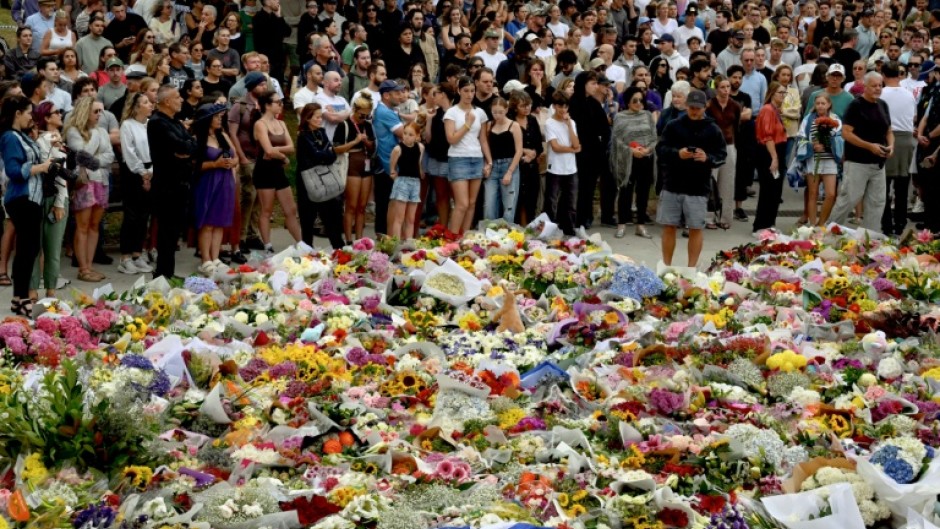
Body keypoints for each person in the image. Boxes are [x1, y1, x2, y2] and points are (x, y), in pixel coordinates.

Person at [656, 89, 727, 267]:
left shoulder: (713, 129)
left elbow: (721, 155)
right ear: (686, 106)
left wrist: (707, 158)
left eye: (698, 108)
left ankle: (691, 268)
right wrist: (678, 153)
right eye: (691, 107)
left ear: (705, 107)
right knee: (669, 225)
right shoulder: (673, 125)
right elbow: (661, 149)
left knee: (696, 227)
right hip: (673, 183)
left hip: (698, 186)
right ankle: (666, 265)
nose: (694, 111)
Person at [0, 96, 49, 314]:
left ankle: (19, 299)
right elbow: (14, 171)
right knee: (26, 250)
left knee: (29, 250)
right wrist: (41, 167)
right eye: (28, 112)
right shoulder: (10, 137)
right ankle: (21, 298)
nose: (31, 116)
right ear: (17, 113)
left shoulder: (21, 135)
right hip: (21, 198)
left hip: (32, 199)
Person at [829, 72, 894, 233]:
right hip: (857, 161)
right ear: (865, 87)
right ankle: (828, 233)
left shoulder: (883, 104)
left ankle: (868, 238)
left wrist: (891, 146)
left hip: (878, 164)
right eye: (874, 85)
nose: (878, 88)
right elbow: (846, 133)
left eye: (880, 85)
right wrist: (869, 146)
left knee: (877, 202)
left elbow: (889, 131)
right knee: (849, 199)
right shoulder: (856, 105)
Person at [148, 85, 198, 279]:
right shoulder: (157, 123)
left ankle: (168, 271)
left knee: (174, 232)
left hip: (181, 183)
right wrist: (184, 148)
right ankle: (162, 274)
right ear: (167, 101)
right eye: (177, 97)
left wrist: (186, 149)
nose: (181, 100)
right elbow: (180, 145)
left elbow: (192, 145)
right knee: (167, 232)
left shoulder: (175, 122)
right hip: (166, 186)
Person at [64, 96, 114, 283]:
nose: (100, 115)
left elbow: (110, 156)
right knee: (82, 225)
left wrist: (95, 159)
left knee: (95, 225)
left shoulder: (102, 130)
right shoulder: (73, 130)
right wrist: (93, 135)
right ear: (85, 111)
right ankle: (82, 268)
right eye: (95, 111)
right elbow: (81, 155)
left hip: (101, 180)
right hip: (85, 182)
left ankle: (90, 266)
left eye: (101, 111)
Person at [252, 90, 302, 251]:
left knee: (291, 208)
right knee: (266, 209)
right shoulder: (260, 124)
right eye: (277, 102)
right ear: (267, 105)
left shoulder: (281, 123)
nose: (281, 105)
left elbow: (291, 147)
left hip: (277, 168)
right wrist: (282, 156)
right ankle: (267, 244)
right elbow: (267, 150)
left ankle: (301, 243)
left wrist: (278, 152)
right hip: (264, 170)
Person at [192, 103, 238, 274]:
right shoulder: (198, 139)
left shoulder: (223, 135)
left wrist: (232, 162)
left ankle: (216, 256)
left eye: (220, 116)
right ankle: (205, 259)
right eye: (216, 117)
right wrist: (215, 164)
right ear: (207, 119)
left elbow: (236, 157)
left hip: (225, 180)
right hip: (208, 181)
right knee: (208, 222)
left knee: (219, 221)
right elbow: (194, 165)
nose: (220, 119)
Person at [30, 102, 69, 300]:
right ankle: (37, 290)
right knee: (43, 247)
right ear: (46, 118)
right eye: (56, 112)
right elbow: (58, 173)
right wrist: (60, 203)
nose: (60, 114)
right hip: (48, 197)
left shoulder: (56, 139)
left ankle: (48, 290)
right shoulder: (47, 139)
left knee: (50, 247)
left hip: (51, 197)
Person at [444, 76, 490, 235]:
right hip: (458, 158)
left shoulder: (480, 112)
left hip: (476, 158)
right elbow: (451, 139)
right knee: (461, 204)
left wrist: (488, 161)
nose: (469, 94)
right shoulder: (451, 112)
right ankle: (451, 239)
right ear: (458, 91)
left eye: (472, 91)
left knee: (471, 203)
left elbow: (483, 139)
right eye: (466, 91)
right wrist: (468, 123)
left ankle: (464, 238)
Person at [116, 92, 155, 275]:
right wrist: (142, 173)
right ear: (137, 107)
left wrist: (151, 172)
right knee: (131, 215)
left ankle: (137, 254)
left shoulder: (151, 124)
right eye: (146, 102)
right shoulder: (127, 125)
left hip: (150, 170)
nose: (150, 104)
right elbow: (129, 152)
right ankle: (125, 257)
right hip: (133, 172)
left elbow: (157, 149)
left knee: (144, 215)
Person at [611, 86, 657, 239]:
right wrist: (631, 151)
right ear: (627, 102)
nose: (638, 103)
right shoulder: (620, 117)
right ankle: (622, 224)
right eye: (634, 100)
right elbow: (616, 140)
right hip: (627, 160)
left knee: (643, 193)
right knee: (625, 191)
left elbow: (654, 137)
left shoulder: (648, 116)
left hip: (645, 158)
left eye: (641, 100)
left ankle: (641, 226)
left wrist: (647, 150)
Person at [296, 103, 344, 248]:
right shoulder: (303, 137)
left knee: (331, 216)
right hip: (308, 181)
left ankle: (338, 248)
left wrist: (324, 154)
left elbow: (332, 154)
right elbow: (312, 157)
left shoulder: (321, 132)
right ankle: (307, 250)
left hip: (326, 179)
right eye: (317, 117)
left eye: (320, 116)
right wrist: (325, 154)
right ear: (308, 118)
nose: (320, 120)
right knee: (307, 218)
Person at [879, 61, 916, 236]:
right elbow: (913, 116)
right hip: (906, 139)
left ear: (883, 75)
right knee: (902, 184)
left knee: (883, 185)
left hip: (888, 137)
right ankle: (900, 223)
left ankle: (886, 224)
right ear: (899, 75)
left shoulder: (881, 94)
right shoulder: (909, 94)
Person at [335, 92, 375, 244]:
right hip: (351, 163)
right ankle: (348, 239)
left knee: (362, 206)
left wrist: (366, 142)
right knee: (351, 205)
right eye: (361, 115)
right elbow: (337, 148)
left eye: (367, 116)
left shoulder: (368, 125)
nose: (364, 118)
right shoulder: (344, 124)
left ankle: (360, 238)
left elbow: (372, 147)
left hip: (366, 164)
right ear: (354, 110)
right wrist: (355, 141)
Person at [798, 92, 842, 226]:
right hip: (813, 160)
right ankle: (812, 225)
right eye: (818, 103)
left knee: (830, 194)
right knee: (813, 193)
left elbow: (841, 139)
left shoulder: (836, 119)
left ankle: (821, 223)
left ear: (829, 104)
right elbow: (801, 139)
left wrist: (830, 143)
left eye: (823, 103)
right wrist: (812, 146)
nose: (820, 106)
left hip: (829, 160)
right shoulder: (808, 119)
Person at [752, 82, 789, 234]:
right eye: (781, 92)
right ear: (773, 93)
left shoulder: (776, 110)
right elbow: (767, 137)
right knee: (768, 190)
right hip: (769, 152)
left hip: (777, 150)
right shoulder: (767, 110)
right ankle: (761, 225)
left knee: (775, 191)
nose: (783, 95)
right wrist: (774, 158)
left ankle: (769, 223)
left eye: (784, 93)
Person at [705, 75, 741, 230]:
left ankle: (725, 217)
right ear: (716, 89)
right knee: (711, 181)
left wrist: (736, 146)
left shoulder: (735, 106)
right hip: (712, 146)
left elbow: (737, 127)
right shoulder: (709, 105)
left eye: (728, 87)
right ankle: (709, 217)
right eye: (722, 87)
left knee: (728, 183)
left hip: (729, 145)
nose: (726, 90)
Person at [544, 91, 581, 236]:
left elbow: (577, 143)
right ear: (554, 106)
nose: (563, 110)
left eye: (566, 107)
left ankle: (569, 228)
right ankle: (550, 229)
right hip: (555, 168)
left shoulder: (571, 123)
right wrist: (572, 149)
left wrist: (569, 126)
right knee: (551, 201)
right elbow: (556, 147)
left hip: (571, 168)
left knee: (571, 201)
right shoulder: (549, 123)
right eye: (560, 107)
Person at [373, 80, 406, 236]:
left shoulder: (388, 110)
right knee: (387, 205)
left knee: (387, 204)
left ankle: (386, 241)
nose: (401, 95)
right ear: (386, 95)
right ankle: (384, 242)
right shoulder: (385, 112)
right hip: (386, 165)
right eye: (397, 92)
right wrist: (421, 119)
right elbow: (405, 134)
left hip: (388, 163)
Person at [482, 97, 522, 223]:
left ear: (506, 110)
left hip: (509, 164)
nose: (497, 115)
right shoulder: (489, 125)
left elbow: (519, 150)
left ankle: (506, 233)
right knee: (489, 204)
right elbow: (485, 145)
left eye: (500, 112)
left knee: (509, 205)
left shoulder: (514, 125)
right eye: (494, 112)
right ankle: (490, 232)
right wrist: (487, 163)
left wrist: (510, 172)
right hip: (493, 165)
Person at [509, 90, 542, 226]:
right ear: (515, 107)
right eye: (523, 106)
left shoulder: (533, 120)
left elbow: (539, 144)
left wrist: (533, 153)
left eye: (529, 105)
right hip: (515, 166)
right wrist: (523, 151)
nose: (527, 108)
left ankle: (529, 227)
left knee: (531, 199)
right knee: (518, 200)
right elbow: (505, 144)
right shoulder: (510, 121)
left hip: (532, 166)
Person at [386, 122, 425, 239]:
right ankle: (396, 243)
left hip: (415, 182)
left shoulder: (420, 147)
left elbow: (418, 162)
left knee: (411, 218)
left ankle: (409, 242)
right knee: (399, 218)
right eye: (405, 133)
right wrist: (393, 174)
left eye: (411, 134)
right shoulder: (398, 149)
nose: (407, 136)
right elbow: (392, 167)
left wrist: (421, 172)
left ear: (417, 136)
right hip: (402, 181)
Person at [423, 83, 454, 229]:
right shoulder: (435, 114)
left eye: (436, 94)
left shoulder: (455, 112)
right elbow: (428, 138)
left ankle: (455, 228)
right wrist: (429, 119)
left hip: (452, 159)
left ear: (443, 94)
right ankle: (443, 227)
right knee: (441, 196)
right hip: (436, 157)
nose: (433, 97)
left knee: (455, 196)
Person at [252, 0, 291, 85]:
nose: (278, 1)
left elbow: (287, 32)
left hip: (279, 59)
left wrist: (279, 17)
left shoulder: (276, 17)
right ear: (267, 2)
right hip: (266, 58)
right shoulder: (258, 17)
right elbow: (268, 35)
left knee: (278, 84)